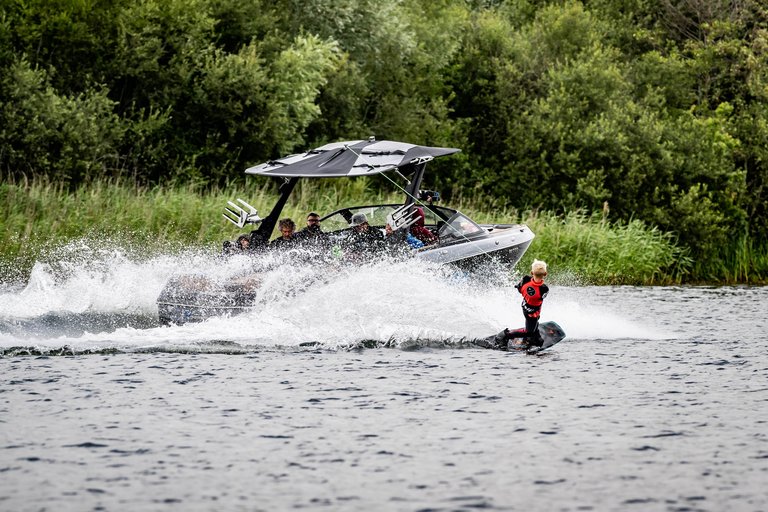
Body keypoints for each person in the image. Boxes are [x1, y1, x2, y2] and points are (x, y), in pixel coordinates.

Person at [498, 259, 550, 349]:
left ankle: (534, 336)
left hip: (525, 306)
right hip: (533, 312)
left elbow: (520, 289)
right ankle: (505, 335)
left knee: (533, 324)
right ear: (545, 274)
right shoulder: (544, 289)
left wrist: (520, 287)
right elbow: (540, 299)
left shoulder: (526, 279)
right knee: (528, 331)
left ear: (531, 272)